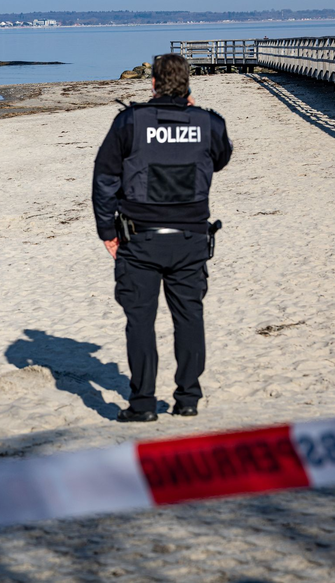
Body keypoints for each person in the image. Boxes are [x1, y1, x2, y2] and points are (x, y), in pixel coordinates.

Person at [92, 53, 233, 423]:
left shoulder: (130, 122)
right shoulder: (208, 122)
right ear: (188, 85)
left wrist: (107, 231)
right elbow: (220, 158)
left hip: (141, 241)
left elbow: (104, 179)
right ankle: (187, 398)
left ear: (152, 83)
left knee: (141, 321)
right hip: (189, 240)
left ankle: (142, 405)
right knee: (189, 316)